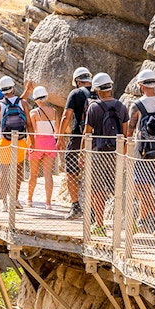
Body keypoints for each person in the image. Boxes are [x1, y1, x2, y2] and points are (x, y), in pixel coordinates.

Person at [82, 72, 127, 232]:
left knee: (98, 190)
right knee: (118, 189)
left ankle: (99, 225)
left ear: (97, 89)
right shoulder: (122, 107)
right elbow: (125, 135)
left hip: (98, 154)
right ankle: (128, 222)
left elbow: (87, 134)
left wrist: (82, 154)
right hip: (116, 154)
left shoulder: (94, 107)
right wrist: (124, 156)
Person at [125, 69, 155, 230]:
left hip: (141, 151)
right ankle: (142, 220)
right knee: (147, 185)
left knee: (140, 185)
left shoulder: (137, 105)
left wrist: (126, 150)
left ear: (141, 85)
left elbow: (130, 129)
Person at [0, 75, 34, 207]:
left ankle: (5, 203)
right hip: (20, 141)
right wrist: (33, 142)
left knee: (4, 171)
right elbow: (29, 124)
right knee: (18, 170)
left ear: (1, 90)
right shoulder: (23, 103)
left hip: (4, 142)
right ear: (13, 88)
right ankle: (15, 200)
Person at [58, 67, 93, 219]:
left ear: (77, 81)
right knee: (93, 173)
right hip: (96, 139)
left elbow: (66, 116)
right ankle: (94, 210)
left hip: (78, 137)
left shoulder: (76, 93)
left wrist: (60, 137)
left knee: (70, 171)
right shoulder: (98, 91)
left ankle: (76, 206)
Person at [27, 86, 59, 209]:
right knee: (48, 175)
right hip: (50, 143)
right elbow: (57, 131)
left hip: (37, 144)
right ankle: (48, 203)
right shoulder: (54, 112)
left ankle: (29, 200)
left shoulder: (34, 113)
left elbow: (32, 131)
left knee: (33, 175)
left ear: (36, 99)